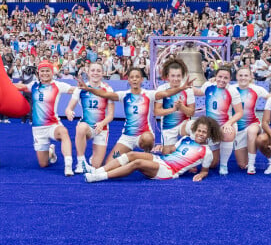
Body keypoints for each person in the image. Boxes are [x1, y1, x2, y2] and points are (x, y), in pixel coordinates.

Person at [77, 67, 194, 164]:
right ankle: (129, 158)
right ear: (128, 80)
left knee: (148, 139)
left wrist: (181, 88)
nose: (134, 79)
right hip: (127, 137)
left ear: (142, 79)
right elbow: (105, 94)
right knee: (110, 164)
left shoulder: (149, 94)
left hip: (144, 135)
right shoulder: (124, 95)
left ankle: (147, 154)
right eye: (132, 77)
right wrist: (89, 89)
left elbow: (166, 93)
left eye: (137, 77)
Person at [84, 117, 222, 183]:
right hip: (161, 160)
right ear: (195, 130)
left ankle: (98, 177)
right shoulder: (185, 139)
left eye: (204, 132)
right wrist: (162, 147)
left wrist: (201, 175)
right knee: (131, 154)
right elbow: (172, 149)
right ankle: (98, 170)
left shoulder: (207, 152)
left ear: (209, 135)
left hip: (168, 171)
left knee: (136, 163)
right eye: (199, 130)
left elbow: (204, 170)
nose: (201, 134)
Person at [15, 61, 75, 176]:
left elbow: (75, 90)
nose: (45, 73)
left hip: (53, 125)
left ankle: (68, 165)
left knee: (64, 132)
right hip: (38, 129)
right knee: (43, 164)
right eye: (42, 71)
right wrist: (2, 83)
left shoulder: (58, 85)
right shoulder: (33, 85)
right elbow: (20, 87)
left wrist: (90, 88)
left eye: (47, 71)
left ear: (52, 73)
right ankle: (51, 151)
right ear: (38, 73)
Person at [189, 65, 243, 175]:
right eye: (220, 77)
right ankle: (193, 160)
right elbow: (199, 92)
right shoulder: (208, 85)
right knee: (212, 164)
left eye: (225, 78)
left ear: (229, 79)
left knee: (228, 132)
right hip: (210, 126)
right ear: (215, 76)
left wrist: (229, 123)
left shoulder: (232, 91)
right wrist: (188, 86)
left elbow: (239, 112)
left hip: (224, 124)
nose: (222, 80)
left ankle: (224, 165)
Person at [65, 62, 114, 174]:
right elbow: (68, 108)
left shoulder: (108, 89)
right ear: (88, 72)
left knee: (96, 166)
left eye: (98, 71)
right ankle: (81, 162)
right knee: (80, 127)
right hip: (87, 126)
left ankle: (93, 157)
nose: (95, 73)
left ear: (103, 73)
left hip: (101, 128)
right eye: (93, 70)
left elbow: (110, 115)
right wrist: (69, 112)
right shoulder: (80, 89)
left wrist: (102, 123)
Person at [231, 67, 270, 175]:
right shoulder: (231, 88)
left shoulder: (257, 89)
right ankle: (250, 148)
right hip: (238, 129)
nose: (243, 78)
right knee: (242, 165)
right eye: (240, 75)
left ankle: (252, 164)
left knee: (251, 131)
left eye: (246, 75)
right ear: (237, 76)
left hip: (253, 124)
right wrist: (212, 80)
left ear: (250, 77)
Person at [154, 58, 195, 154]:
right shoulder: (162, 89)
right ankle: (178, 147)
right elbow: (156, 111)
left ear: (182, 76)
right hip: (168, 126)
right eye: (173, 76)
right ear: (168, 76)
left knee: (195, 127)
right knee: (168, 158)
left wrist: (182, 108)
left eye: (178, 76)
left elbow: (191, 112)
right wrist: (173, 109)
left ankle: (189, 153)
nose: (176, 79)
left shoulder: (188, 90)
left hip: (183, 124)